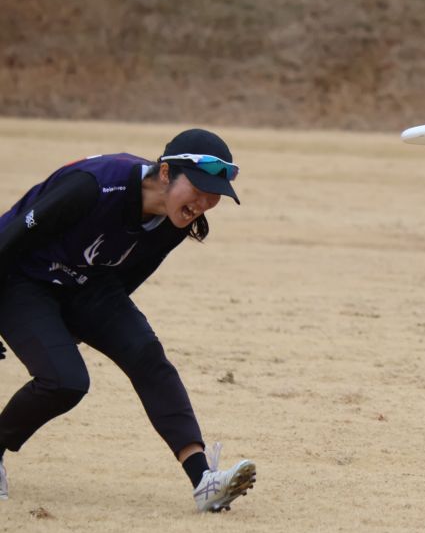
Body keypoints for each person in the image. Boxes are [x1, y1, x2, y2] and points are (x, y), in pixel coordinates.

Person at [0, 128, 255, 512]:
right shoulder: (93, 186)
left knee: (147, 356)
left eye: (214, 196)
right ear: (166, 173)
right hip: (21, 278)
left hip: (89, 284)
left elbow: (129, 277)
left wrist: (95, 326)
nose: (204, 203)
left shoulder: (174, 223)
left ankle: (204, 481)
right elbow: (10, 239)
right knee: (65, 381)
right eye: (199, 189)